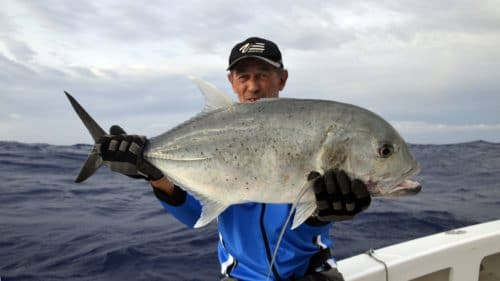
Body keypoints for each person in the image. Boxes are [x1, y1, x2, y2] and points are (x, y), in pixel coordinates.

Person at [96, 37, 371, 281]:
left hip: (310, 274)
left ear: (282, 79)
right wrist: (153, 173)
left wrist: (321, 213)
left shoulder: (308, 132)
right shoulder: (212, 138)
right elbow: (194, 216)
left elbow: (303, 226)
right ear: (231, 82)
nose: (253, 86)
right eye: (243, 76)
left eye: (263, 75)